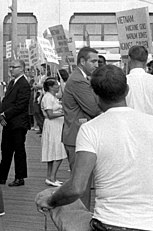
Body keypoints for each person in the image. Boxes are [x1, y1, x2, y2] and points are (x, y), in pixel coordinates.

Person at [35, 64, 153, 231]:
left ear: (95, 93)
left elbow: (76, 187)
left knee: (49, 196)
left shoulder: (91, 129)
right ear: (127, 91)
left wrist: (50, 200)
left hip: (112, 223)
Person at [62, 46, 101, 209]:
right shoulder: (78, 80)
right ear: (82, 61)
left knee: (82, 183)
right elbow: (93, 108)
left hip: (77, 135)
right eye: (93, 61)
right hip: (77, 137)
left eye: (97, 61)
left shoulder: (82, 78)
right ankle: (81, 220)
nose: (96, 65)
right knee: (82, 185)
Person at [0, 59, 31, 186]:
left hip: (18, 123)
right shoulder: (13, 82)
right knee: (5, 150)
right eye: (11, 66)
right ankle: (2, 176)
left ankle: (20, 177)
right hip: (8, 122)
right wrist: (2, 115)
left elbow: (21, 105)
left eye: (14, 67)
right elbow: (6, 102)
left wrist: (4, 114)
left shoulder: (24, 84)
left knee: (18, 151)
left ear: (22, 68)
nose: (11, 69)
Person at [41, 77, 67, 187]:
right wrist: (64, 113)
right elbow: (50, 115)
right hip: (53, 126)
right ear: (51, 87)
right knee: (58, 152)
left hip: (57, 126)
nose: (58, 86)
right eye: (56, 84)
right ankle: (52, 177)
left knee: (53, 152)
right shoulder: (48, 98)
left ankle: (50, 177)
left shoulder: (53, 97)